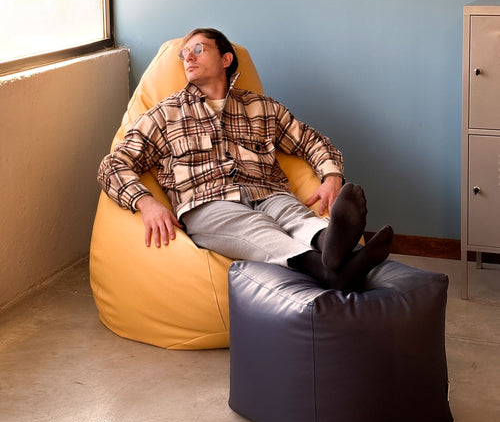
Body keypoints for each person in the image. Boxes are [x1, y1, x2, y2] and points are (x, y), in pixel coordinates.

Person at [98, 28, 393, 294]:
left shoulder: (261, 108)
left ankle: (330, 242)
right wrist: (146, 203)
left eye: (198, 49)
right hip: (208, 204)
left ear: (226, 59)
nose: (188, 57)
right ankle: (335, 267)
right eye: (184, 53)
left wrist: (332, 177)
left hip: (269, 192)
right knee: (255, 229)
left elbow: (310, 140)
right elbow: (113, 165)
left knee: (295, 216)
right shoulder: (165, 114)